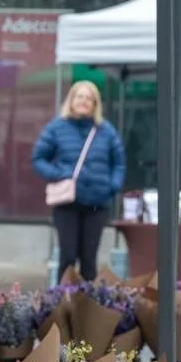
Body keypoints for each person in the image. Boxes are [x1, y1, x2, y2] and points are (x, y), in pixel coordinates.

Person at [32, 80, 125, 282]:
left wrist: (112, 186)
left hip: (97, 204)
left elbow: (119, 163)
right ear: (71, 100)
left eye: (88, 98)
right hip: (67, 202)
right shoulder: (57, 127)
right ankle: (62, 303)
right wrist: (58, 174)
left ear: (95, 104)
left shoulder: (106, 131)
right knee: (67, 256)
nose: (83, 101)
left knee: (89, 260)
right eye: (79, 96)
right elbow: (38, 159)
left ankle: (86, 306)